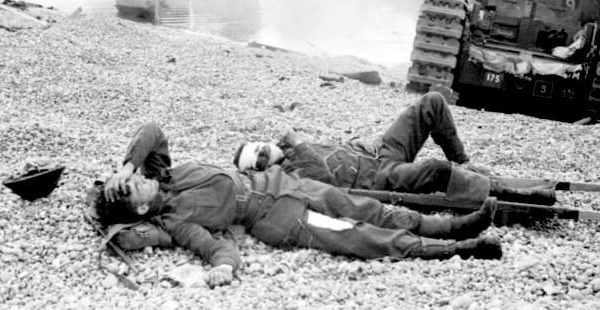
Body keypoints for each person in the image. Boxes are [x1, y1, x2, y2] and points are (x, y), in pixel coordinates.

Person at [95, 121, 502, 287]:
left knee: (369, 209)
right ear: (142, 211)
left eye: (130, 180)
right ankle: (456, 247)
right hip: (277, 218)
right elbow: (217, 247)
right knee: (359, 236)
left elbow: (151, 130)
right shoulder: (175, 221)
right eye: (131, 188)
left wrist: (125, 166)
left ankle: (457, 224)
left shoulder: (163, 173)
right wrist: (223, 268)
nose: (136, 182)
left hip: (284, 182)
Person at [233, 91, 556, 205]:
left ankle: (465, 162)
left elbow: (333, 154)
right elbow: (326, 181)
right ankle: (512, 194)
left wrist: (356, 141)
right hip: (382, 177)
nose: (265, 154)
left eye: (261, 148)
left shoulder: (289, 152)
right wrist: (299, 142)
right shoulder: (287, 176)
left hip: (380, 150)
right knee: (436, 170)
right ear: (262, 171)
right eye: (260, 160)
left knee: (432, 102)